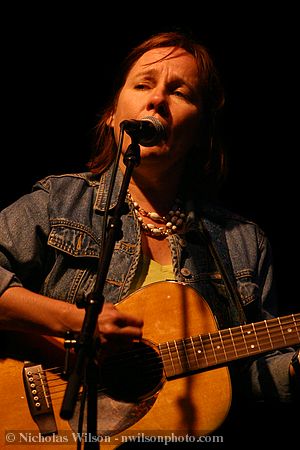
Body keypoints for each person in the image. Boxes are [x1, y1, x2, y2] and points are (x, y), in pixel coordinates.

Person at [0, 30, 299, 448]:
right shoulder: (58, 203)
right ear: (112, 114)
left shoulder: (242, 243)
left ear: (201, 131)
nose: (157, 100)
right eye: (143, 84)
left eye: (180, 92)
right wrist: (76, 322)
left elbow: (254, 373)